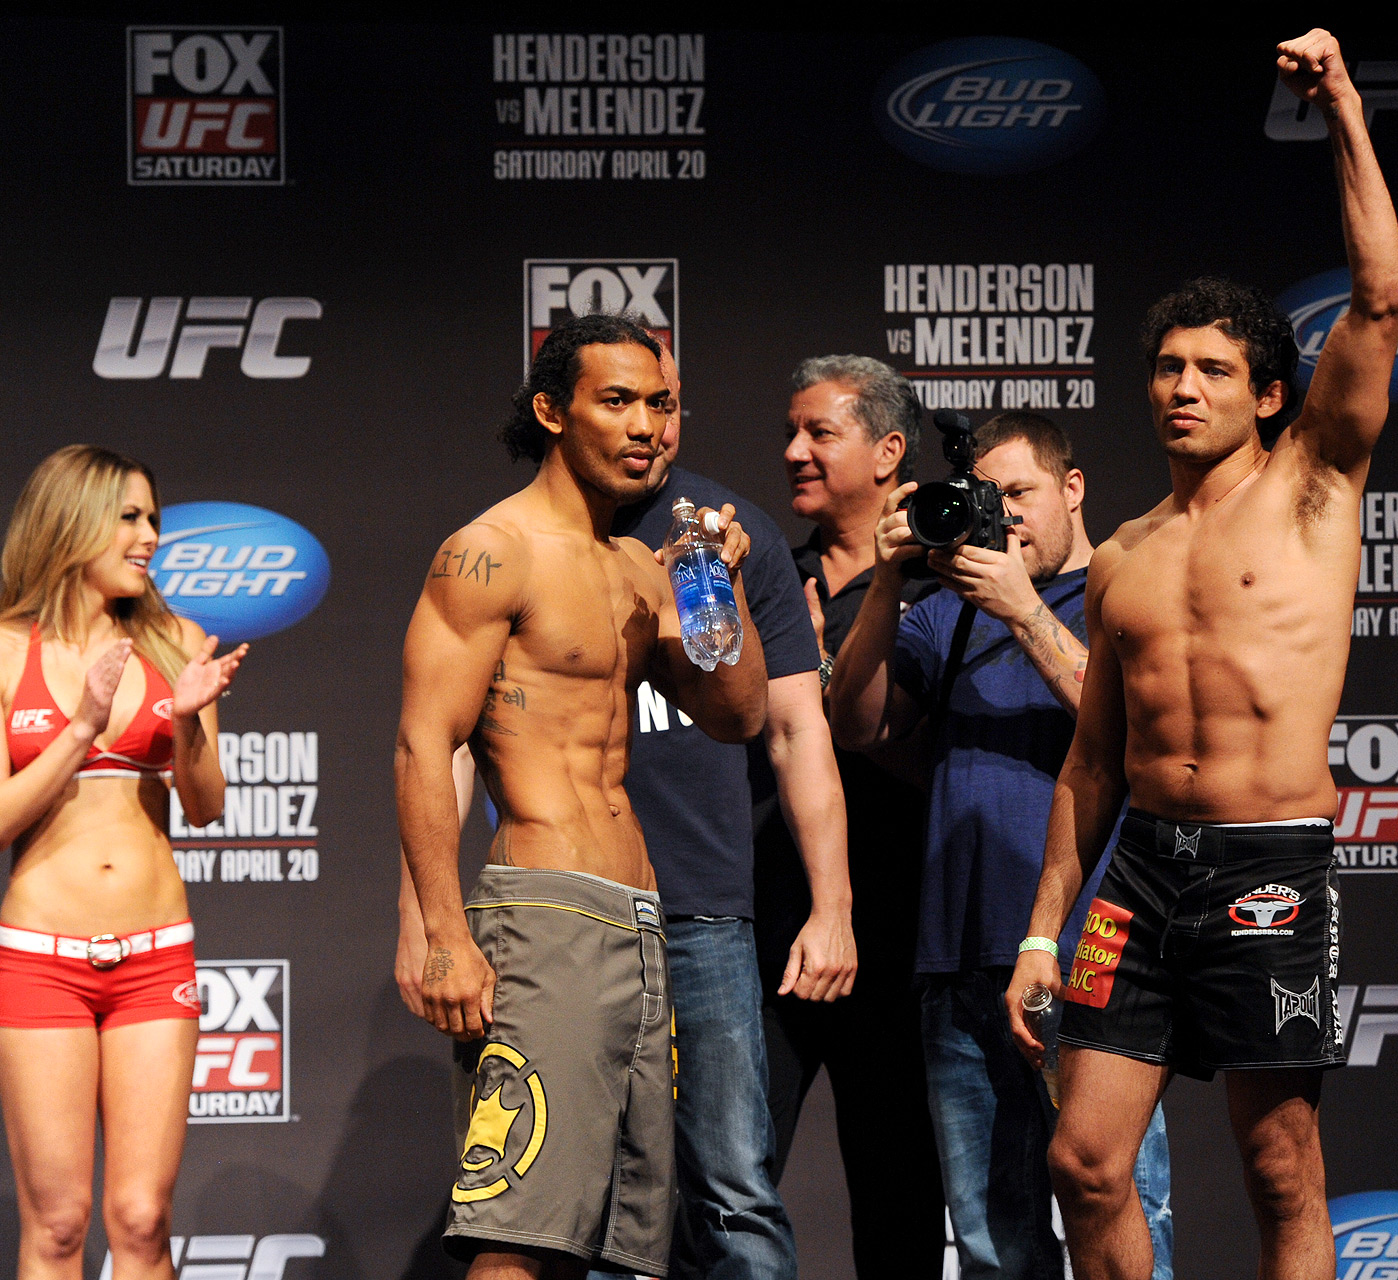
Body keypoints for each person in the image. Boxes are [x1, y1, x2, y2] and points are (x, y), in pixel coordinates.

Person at [1004, 29, 1398, 1280]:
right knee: (1083, 1160)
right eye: (1168, 367)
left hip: (1264, 863)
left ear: (1268, 395)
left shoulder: (1312, 486)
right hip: (1138, 868)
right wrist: (1040, 931)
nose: (1182, 386)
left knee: (1279, 1165)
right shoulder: (1122, 553)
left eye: (1213, 370)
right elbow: (1089, 762)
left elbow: (1380, 300)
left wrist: (1341, 107)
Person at [397, 346, 852, 1278]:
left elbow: (737, 714)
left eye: (659, 403)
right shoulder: (491, 553)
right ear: (552, 412)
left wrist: (716, 584)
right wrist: (440, 930)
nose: (645, 425)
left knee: (614, 1239)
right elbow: (425, 746)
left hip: (641, 919)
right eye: (616, 401)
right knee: (521, 1234)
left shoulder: (641, 570)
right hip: (545, 915)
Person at [827, 413, 1173, 1280]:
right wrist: (885, 580)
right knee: (990, 1246)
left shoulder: (1125, 592)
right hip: (958, 961)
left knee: (1122, 1209)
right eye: (988, 499)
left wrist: (1022, 609)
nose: (1005, 515)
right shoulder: (947, 613)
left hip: (1093, 952)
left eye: (1019, 492)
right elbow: (857, 723)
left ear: (1073, 488)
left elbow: (1137, 732)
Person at [0, 444, 247, 1280]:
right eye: (130, 517)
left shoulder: (177, 640)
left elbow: (206, 806)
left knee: (143, 1220)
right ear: (70, 523)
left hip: (156, 960)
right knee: (58, 1225)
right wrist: (81, 725)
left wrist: (185, 723)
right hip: (42, 964)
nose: (151, 536)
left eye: (154, 517)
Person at [752, 354, 944, 1276]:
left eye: (819, 433)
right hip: (772, 935)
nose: (794, 451)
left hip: (905, 938)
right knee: (728, 1185)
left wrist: (835, 676)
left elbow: (937, 755)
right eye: (791, 432)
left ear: (888, 451)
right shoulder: (764, 585)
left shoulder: (950, 583)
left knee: (900, 1196)